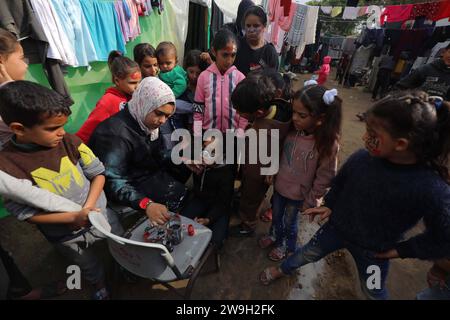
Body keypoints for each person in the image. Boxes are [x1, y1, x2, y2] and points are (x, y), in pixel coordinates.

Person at [259, 91, 450, 300]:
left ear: (401, 144)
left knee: (373, 291)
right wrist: (329, 204)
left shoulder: (432, 189)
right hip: (335, 231)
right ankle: (283, 269)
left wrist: (401, 250)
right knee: (305, 254)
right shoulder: (362, 158)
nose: (363, 137)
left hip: (375, 253)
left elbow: (442, 237)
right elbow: (340, 183)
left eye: (372, 133)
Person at [0, 81, 123, 300]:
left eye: (63, 125)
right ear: (19, 129)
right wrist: (71, 217)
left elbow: (98, 173)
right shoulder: (7, 167)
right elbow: (25, 213)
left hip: (101, 213)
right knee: (86, 262)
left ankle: (123, 267)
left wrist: (88, 208)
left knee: (120, 242)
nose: (62, 133)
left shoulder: (70, 141)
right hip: (65, 235)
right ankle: (99, 283)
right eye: (52, 128)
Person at [0, 29, 73, 300]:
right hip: (29, 186)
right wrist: (75, 214)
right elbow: (24, 204)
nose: (27, 63)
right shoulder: (11, 105)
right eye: (21, 57)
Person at [259, 85, 341, 261]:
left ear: (320, 118)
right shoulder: (291, 129)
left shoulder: (327, 142)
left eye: (301, 115)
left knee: (290, 223)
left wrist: (312, 200)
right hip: (280, 187)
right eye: (293, 112)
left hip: (298, 195)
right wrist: (271, 169)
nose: (294, 118)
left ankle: (286, 245)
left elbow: (325, 176)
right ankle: (274, 235)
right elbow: (277, 149)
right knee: (276, 215)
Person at [89, 77, 187, 224]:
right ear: (145, 103)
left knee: (184, 171)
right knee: (176, 202)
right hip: (129, 185)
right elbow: (112, 181)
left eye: (167, 116)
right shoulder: (115, 134)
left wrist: (183, 158)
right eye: (159, 113)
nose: (162, 121)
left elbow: (157, 155)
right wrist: (146, 204)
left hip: (145, 174)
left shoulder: (146, 124)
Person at [229, 69, 292, 237]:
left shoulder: (270, 129)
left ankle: (248, 223)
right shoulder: (276, 108)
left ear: (258, 113)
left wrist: (272, 169)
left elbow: (280, 149)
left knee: (251, 197)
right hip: (253, 164)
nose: (237, 114)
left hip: (258, 172)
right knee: (249, 193)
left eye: (240, 111)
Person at [76, 51, 141, 143]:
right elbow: (86, 132)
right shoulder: (108, 102)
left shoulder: (133, 96)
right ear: (117, 80)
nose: (137, 87)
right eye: (132, 83)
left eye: (139, 82)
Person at [193, 29, 247, 137]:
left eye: (233, 55)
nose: (229, 60)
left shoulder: (240, 78)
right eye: (225, 55)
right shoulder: (204, 77)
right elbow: (198, 110)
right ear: (214, 52)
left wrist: (240, 133)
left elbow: (244, 112)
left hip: (233, 136)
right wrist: (198, 135)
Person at [233, 5, 279, 76]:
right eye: (248, 26)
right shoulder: (236, 45)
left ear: (264, 26)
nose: (251, 30)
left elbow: (274, 80)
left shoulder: (270, 53)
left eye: (256, 26)